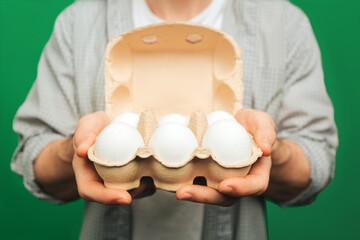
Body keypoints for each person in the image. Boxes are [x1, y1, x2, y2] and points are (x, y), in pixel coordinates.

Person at [11, 0, 338, 239]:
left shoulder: (283, 23)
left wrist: (268, 150)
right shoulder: (78, 22)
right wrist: (76, 151)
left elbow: (317, 161)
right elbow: (32, 156)